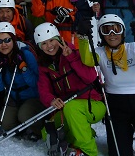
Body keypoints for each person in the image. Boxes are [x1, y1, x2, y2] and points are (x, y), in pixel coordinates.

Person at [78, 15, 135, 156]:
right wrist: (82, 38)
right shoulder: (100, 52)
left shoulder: (133, 48)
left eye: (116, 29)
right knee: (119, 153)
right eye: (106, 30)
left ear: (123, 32)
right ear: (101, 34)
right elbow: (87, 60)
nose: (112, 35)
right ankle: (126, 138)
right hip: (115, 103)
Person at [35, 22, 105, 156]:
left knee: (72, 108)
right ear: (39, 47)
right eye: (44, 43)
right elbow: (43, 90)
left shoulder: (74, 52)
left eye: (51, 40)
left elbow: (90, 77)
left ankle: (89, 151)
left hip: (93, 104)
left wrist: (71, 57)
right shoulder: (44, 66)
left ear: (58, 39)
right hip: (69, 108)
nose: (49, 46)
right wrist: (51, 100)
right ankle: (84, 134)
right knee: (47, 133)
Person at [0, 22, 44, 140]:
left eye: (7, 40)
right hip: (13, 96)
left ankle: (41, 129)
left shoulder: (25, 55)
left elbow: (35, 81)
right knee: (6, 124)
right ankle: (24, 128)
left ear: (13, 40)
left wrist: (23, 68)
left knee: (24, 115)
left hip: (32, 96)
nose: (3, 45)